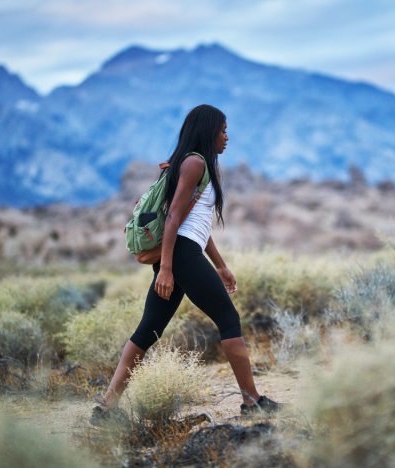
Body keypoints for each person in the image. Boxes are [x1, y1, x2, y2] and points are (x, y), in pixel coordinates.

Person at [91, 104, 280, 423]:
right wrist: (166, 267)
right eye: (222, 130)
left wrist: (219, 265)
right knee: (229, 319)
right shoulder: (194, 163)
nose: (226, 137)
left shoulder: (196, 165)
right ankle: (252, 403)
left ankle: (107, 409)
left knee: (148, 330)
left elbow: (197, 227)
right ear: (208, 132)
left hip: (181, 252)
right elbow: (175, 218)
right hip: (180, 255)